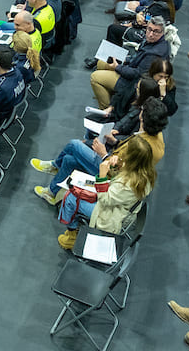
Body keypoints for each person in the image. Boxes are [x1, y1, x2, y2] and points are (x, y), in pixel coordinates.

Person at [32, 100, 167, 205]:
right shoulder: (154, 135)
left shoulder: (144, 145)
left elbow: (120, 171)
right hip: (113, 162)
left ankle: (55, 165)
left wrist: (103, 154)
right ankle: (51, 193)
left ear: (143, 116)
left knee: (74, 144)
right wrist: (115, 142)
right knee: (68, 160)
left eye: (142, 110)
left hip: (109, 175)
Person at [53, 135, 159, 250]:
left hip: (111, 215)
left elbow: (105, 199)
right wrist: (115, 168)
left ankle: (72, 236)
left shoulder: (128, 184)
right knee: (75, 180)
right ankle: (75, 226)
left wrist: (102, 176)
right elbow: (117, 184)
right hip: (118, 206)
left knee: (70, 197)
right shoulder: (145, 173)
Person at [89, 16, 170, 107]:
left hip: (134, 83)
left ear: (162, 32)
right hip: (132, 67)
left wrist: (118, 67)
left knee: (94, 77)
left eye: (156, 31)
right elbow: (137, 58)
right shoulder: (152, 41)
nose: (151, 34)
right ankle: (108, 92)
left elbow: (137, 74)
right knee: (102, 62)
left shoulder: (154, 54)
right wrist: (124, 60)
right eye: (149, 29)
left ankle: (106, 110)